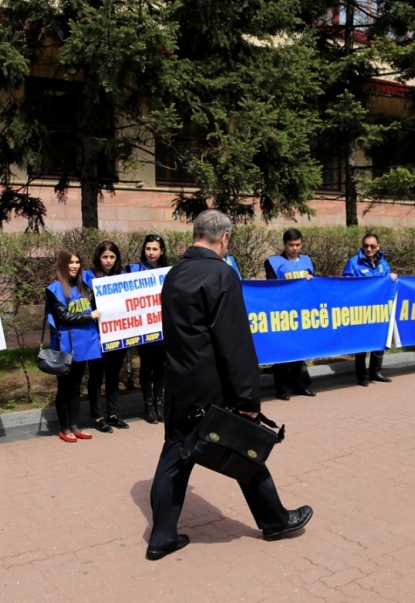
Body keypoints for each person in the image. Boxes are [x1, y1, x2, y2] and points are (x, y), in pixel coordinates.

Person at [147, 209, 313, 561]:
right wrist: (248, 397)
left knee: (175, 458)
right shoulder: (221, 274)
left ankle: (161, 536)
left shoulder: (173, 273)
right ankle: (276, 520)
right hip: (213, 388)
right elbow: (234, 343)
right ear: (224, 238)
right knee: (245, 448)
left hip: (179, 385)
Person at [46, 249, 102, 443]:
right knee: (64, 388)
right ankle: (64, 428)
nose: (74, 265)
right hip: (66, 346)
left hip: (84, 344)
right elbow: (63, 317)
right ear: (63, 264)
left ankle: (75, 426)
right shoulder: (55, 289)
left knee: (76, 387)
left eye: (77, 262)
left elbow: (98, 302)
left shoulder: (83, 286)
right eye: (70, 262)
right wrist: (90, 316)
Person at [263, 228, 316, 400]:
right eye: (291, 245)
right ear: (284, 244)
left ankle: (299, 385)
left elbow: (313, 285)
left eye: (298, 245)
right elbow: (271, 287)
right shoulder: (273, 262)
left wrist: (311, 280)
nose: (295, 248)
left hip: (302, 313)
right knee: (281, 352)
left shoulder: (307, 261)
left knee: (298, 351)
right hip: (282, 313)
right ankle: (281, 389)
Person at [83, 241, 129, 433]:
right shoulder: (87, 277)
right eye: (104, 257)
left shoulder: (123, 277)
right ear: (98, 257)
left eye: (112, 257)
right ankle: (98, 416)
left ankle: (113, 414)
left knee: (113, 376)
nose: (108, 261)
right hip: (96, 336)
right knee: (95, 377)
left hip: (118, 335)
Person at [342, 232, 397, 385]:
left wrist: (392, 277)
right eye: (366, 245)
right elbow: (346, 283)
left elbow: (387, 282)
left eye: (372, 246)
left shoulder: (383, 263)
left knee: (379, 340)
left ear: (378, 247)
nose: (369, 248)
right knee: (362, 342)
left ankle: (376, 372)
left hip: (379, 309)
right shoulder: (354, 263)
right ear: (362, 246)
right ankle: (362, 375)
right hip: (361, 309)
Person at [128, 235, 168, 424]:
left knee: (160, 367)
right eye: (148, 249)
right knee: (146, 366)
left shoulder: (167, 272)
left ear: (162, 251)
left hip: (162, 327)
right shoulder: (133, 270)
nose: (151, 252)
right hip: (142, 328)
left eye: (155, 249)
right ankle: (148, 404)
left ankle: (159, 404)